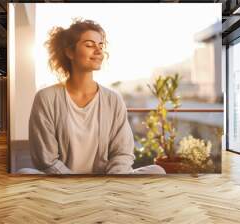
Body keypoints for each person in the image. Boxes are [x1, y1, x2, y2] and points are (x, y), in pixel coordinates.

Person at [28, 18, 166, 175]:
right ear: (70, 52)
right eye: (89, 45)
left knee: (158, 170)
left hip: (107, 182)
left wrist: (110, 184)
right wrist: (78, 187)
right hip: (63, 185)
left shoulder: (113, 99)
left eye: (100, 45)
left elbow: (122, 153)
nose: (99, 51)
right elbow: (47, 160)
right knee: (24, 172)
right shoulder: (46, 98)